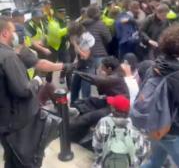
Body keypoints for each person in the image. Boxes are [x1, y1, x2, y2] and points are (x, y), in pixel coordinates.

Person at [0, 16, 60, 168]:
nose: (16, 35)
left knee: (12, 157)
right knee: (25, 160)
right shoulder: (8, 57)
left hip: (4, 121)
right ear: (5, 33)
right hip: (16, 123)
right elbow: (23, 90)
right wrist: (37, 81)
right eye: (14, 31)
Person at [140, 23, 179, 168]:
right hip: (172, 131)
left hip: (153, 125)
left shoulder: (156, 65)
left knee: (154, 162)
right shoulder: (177, 74)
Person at [69, 57, 129, 142]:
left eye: (102, 68)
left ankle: (67, 130)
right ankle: (77, 123)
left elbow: (94, 79)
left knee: (87, 117)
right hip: (109, 101)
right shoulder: (115, 74)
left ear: (109, 69)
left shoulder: (115, 78)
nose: (101, 69)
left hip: (117, 110)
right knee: (85, 101)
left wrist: (76, 72)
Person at [92, 95, 149, 168]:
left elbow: (96, 146)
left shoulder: (103, 122)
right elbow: (142, 152)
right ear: (128, 112)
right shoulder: (135, 128)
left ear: (113, 109)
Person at [69, 21, 95, 106]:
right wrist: (75, 61)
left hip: (87, 67)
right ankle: (73, 107)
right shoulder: (78, 37)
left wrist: (75, 44)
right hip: (79, 66)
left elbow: (85, 56)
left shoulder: (87, 38)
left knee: (85, 92)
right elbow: (78, 54)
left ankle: (86, 110)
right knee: (74, 88)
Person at [83, 4, 112, 71]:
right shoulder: (100, 24)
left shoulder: (83, 25)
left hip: (87, 54)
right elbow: (109, 39)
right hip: (100, 54)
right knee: (101, 77)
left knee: (90, 77)